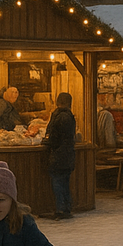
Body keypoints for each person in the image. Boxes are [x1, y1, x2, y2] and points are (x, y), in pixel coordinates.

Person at [44, 92, 76, 220]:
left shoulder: (59, 116)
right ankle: (67, 208)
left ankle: (60, 209)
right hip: (68, 154)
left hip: (58, 154)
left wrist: (47, 141)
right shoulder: (70, 116)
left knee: (57, 181)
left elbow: (54, 137)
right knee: (65, 182)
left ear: (58, 102)